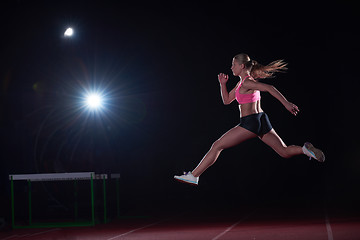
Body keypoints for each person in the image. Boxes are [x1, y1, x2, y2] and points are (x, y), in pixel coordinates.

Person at [174, 53, 325, 186]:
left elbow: (270, 88)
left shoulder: (246, 82)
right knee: (284, 151)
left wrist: (286, 104)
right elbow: (226, 100)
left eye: (233, 64)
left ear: (241, 66)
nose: (231, 67)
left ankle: (194, 176)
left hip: (250, 122)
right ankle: (305, 150)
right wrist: (222, 85)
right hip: (261, 120)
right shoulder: (242, 83)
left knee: (217, 145)